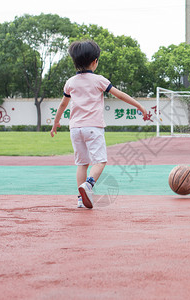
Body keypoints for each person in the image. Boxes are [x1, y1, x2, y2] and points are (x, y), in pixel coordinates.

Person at [51, 40, 147, 209]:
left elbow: (62, 105)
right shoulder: (99, 80)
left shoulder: (70, 82)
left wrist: (56, 123)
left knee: (82, 164)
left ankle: (80, 199)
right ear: (95, 61)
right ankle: (88, 185)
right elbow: (120, 95)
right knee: (100, 161)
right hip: (93, 128)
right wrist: (139, 105)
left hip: (75, 129)